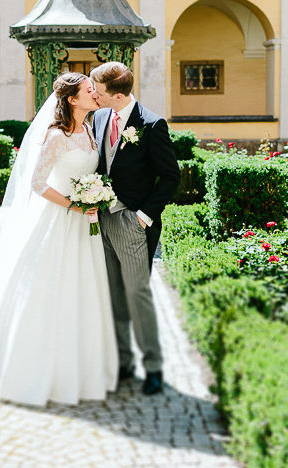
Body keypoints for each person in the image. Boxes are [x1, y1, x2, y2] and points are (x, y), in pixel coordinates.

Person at [0, 72, 118, 407]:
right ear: (72, 99)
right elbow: (38, 183)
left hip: (84, 227)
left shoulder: (90, 130)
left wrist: (96, 197)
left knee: (81, 290)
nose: (96, 94)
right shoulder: (56, 136)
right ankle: (33, 370)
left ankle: (82, 370)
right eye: (89, 91)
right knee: (48, 290)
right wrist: (75, 205)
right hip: (58, 222)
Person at [90, 61, 180, 396]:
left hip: (131, 221)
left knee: (137, 293)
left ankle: (153, 366)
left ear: (116, 94)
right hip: (102, 218)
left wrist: (143, 216)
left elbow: (171, 176)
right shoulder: (99, 117)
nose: (94, 96)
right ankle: (123, 363)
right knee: (113, 293)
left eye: (98, 92)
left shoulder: (152, 124)